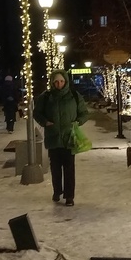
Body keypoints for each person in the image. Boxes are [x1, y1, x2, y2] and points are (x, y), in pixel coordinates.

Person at [33, 69, 89, 207]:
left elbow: (84, 113)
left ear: (66, 81)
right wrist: (45, 122)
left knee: (69, 168)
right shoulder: (45, 97)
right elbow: (37, 113)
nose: (59, 84)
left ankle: (69, 196)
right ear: (52, 82)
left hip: (69, 138)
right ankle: (57, 191)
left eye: (62, 81)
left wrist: (77, 122)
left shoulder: (74, 96)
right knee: (56, 168)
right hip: (53, 138)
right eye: (56, 82)